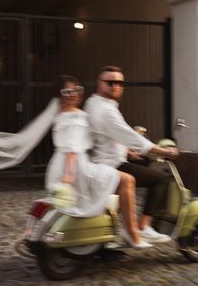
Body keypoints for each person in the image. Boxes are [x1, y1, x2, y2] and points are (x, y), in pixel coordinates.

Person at [45, 75, 153, 249]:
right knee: (127, 180)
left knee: (112, 181)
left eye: (76, 89)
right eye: (67, 91)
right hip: (75, 167)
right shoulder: (76, 117)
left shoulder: (61, 115)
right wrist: (69, 176)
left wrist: (126, 151)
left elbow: (94, 139)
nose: (73, 94)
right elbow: (73, 148)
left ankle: (110, 233)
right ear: (60, 95)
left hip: (57, 166)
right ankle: (133, 234)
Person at [84, 65, 179, 244]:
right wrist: (165, 151)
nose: (115, 86)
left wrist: (127, 151)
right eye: (110, 82)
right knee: (161, 179)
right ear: (99, 83)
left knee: (143, 165)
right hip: (110, 164)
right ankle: (144, 227)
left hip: (101, 159)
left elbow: (105, 136)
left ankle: (111, 237)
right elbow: (132, 137)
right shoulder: (107, 110)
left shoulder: (93, 102)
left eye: (120, 82)